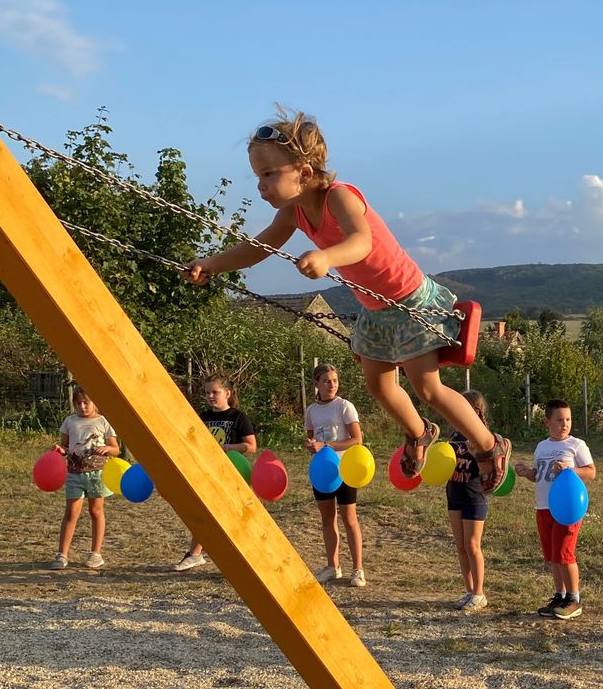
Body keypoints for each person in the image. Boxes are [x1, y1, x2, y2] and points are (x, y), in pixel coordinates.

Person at [185, 109, 510, 491]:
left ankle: (489, 445)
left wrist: (327, 256)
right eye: (258, 176)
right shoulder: (294, 213)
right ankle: (420, 433)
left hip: (409, 301)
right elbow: (259, 248)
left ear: (304, 172)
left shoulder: (339, 196)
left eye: (269, 174)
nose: (261, 186)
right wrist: (212, 264)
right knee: (380, 387)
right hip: (374, 310)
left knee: (427, 388)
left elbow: (361, 241)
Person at [514, 399, 596, 620]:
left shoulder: (576, 445)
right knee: (552, 556)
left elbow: (590, 472)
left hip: (567, 507)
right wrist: (526, 472)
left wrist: (570, 470)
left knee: (565, 554)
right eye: (559, 420)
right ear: (547, 421)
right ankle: (560, 596)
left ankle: (574, 599)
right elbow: (538, 475)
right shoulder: (542, 446)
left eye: (568, 419)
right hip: (543, 507)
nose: (565, 424)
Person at [173, 374, 257, 571]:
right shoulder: (203, 417)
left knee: (236, 517)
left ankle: (246, 559)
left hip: (233, 474)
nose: (211, 396)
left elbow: (251, 446)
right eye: (207, 392)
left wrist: (228, 448)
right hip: (207, 473)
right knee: (205, 513)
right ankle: (194, 554)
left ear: (227, 393)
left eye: (215, 392)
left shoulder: (238, 417)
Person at [304, 364, 366, 586]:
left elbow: (357, 439)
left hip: (345, 469)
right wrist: (311, 445)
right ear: (317, 383)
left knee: (349, 520)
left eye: (335, 381)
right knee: (327, 518)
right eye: (327, 381)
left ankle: (358, 569)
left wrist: (327, 445)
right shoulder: (311, 410)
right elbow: (311, 438)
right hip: (322, 472)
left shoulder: (344, 406)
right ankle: (333, 566)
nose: (332, 385)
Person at [49, 386, 120, 570]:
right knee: (71, 512)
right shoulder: (69, 422)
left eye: (86, 402)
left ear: (94, 403)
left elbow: (115, 448)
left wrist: (107, 449)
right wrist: (59, 450)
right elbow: (65, 447)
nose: (82, 407)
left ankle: (95, 553)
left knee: (96, 512)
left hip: (97, 475)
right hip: (74, 473)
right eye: (78, 403)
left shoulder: (103, 422)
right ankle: (62, 554)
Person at [447, 390, 492, 613]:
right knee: (461, 546)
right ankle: (469, 590)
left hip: (474, 497)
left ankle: (480, 593)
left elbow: (489, 471)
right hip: (454, 494)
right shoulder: (454, 437)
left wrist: (477, 455)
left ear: (476, 411)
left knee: (473, 545)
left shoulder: (484, 437)